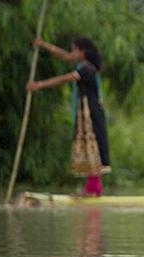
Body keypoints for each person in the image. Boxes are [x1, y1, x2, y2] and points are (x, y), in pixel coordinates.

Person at [26, 37, 110, 196]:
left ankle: (94, 189)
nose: (72, 53)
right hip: (84, 111)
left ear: (82, 52)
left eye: (74, 50)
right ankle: (93, 188)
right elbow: (65, 56)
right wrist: (44, 45)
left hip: (90, 112)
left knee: (91, 145)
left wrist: (39, 85)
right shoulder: (83, 66)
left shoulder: (87, 69)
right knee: (86, 145)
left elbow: (65, 78)